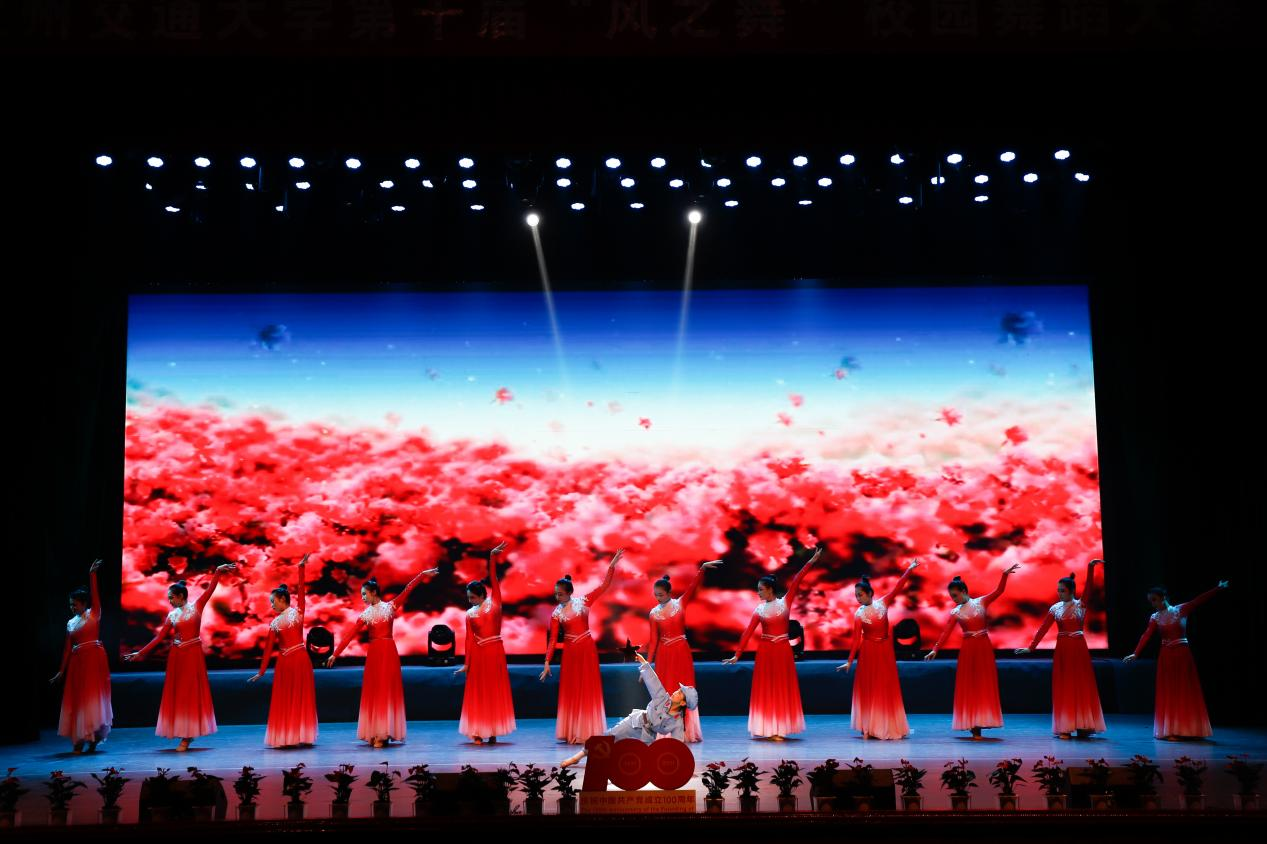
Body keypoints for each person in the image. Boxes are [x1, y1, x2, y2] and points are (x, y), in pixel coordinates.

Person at [124, 563, 238, 750]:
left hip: (192, 655)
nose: (169, 601)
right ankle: (184, 732)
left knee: (190, 693)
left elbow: (210, 590)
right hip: (177, 656)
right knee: (179, 694)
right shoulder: (172, 615)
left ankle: (188, 735)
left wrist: (217, 571)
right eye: (169, 598)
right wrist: (141, 653)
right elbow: (160, 637)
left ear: (181, 596)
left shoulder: (197, 607)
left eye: (171, 597)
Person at [327, 565, 440, 747]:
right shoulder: (366, 614)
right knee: (375, 690)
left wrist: (421, 574)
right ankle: (375, 730)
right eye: (362, 595)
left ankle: (384, 733)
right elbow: (350, 635)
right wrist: (335, 654)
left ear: (373, 592)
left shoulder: (390, 607)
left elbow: (407, 589)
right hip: (374, 653)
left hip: (388, 651)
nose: (363, 597)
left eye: (365, 594)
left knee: (387, 689)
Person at [722, 546, 823, 739]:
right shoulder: (759, 611)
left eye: (761, 589)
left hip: (783, 650)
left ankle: (781, 727)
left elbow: (797, 579)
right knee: (768, 688)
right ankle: (769, 727)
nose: (758, 593)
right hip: (766, 652)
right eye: (758, 590)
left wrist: (811, 561)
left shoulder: (785, 602)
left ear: (770, 590)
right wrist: (737, 654)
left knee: (782, 687)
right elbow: (747, 632)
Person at [925, 563, 1020, 738]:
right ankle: (973, 724)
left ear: (964, 591)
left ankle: (982, 720)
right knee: (970, 685)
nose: (953, 599)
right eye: (951, 596)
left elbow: (999, 591)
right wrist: (935, 649)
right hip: (968, 650)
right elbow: (946, 631)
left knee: (984, 683)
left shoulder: (981, 602)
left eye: (955, 595)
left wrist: (1004, 575)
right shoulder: (956, 612)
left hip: (983, 647)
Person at [1124, 580, 1229, 740]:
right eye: (1151, 601)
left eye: (1154, 600)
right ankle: (1172, 730)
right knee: (1170, 691)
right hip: (1166, 657)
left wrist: (1218, 588)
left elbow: (1198, 600)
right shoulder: (1155, 617)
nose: (1153, 604)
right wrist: (1136, 653)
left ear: (1163, 597)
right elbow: (1146, 635)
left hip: (1182, 655)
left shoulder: (1181, 610)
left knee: (1184, 690)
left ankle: (1189, 729)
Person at [1015, 559, 1106, 738]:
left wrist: (1090, 568)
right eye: (1058, 590)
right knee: (1065, 686)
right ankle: (1066, 726)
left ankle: (1083, 725)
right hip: (1063, 649)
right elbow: (1043, 629)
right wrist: (1031, 648)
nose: (1059, 593)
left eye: (1062, 590)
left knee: (1081, 684)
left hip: (1078, 648)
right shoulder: (1055, 608)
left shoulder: (1080, 604)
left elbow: (1089, 587)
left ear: (1072, 591)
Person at [560, 651, 699, 768]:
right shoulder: (663, 698)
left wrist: (682, 766)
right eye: (678, 690)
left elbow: (677, 746)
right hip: (636, 722)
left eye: (680, 693)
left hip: (647, 737)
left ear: (683, 702)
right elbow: (653, 682)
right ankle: (578, 756)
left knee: (638, 762)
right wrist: (643, 662)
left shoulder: (677, 723)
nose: (675, 692)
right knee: (608, 737)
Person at [541, 550, 623, 744]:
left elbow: (604, 586)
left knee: (587, 688)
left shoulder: (584, 602)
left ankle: (586, 729)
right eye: (556, 594)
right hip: (570, 652)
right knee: (573, 689)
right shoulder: (556, 614)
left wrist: (611, 566)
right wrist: (547, 661)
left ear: (570, 592)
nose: (557, 597)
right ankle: (572, 730)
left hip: (586, 649)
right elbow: (553, 639)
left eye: (561, 594)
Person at [836, 560, 919, 739]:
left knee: (885, 687)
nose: (858, 598)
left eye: (860, 595)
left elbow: (898, 586)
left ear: (870, 593)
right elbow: (856, 639)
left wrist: (910, 569)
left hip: (885, 650)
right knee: (870, 687)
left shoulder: (883, 603)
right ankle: (868, 725)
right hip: (868, 651)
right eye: (856, 596)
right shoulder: (859, 614)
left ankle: (884, 723)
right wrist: (849, 661)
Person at [646, 559, 722, 743]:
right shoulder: (653, 614)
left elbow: (692, 587)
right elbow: (653, 640)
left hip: (681, 652)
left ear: (669, 593)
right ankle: (666, 731)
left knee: (684, 690)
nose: (658, 598)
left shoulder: (680, 603)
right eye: (656, 595)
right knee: (666, 690)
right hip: (664, 655)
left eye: (661, 595)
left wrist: (702, 569)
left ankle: (687, 731)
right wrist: (647, 665)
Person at [248, 554, 318, 747]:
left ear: (282, 599)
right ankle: (287, 736)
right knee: (286, 699)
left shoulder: (298, 613)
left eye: (273, 601)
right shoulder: (275, 623)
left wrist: (301, 568)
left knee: (300, 697)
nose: (272, 605)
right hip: (284, 663)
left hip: (300, 660)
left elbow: (302, 591)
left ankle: (301, 734)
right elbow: (268, 649)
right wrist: (261, 672)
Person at [455, 541, 517, 744]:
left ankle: (492, 729)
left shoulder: (495, 603)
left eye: (473, 597)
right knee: (479, 693)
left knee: (493, 691)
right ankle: (477, 730)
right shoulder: (469, 614)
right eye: (469, 598)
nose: (470, 601)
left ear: (482, 594)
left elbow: (494, 579)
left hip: (495, 652)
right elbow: (468, 639)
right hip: (479, 654)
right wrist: (467, 663)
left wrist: (492, 557)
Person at [50, 559, 113, 753]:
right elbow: (67, 649)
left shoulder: (94, 615)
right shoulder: (71, 623)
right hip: (78, 664)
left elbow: (96, 596)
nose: (72, 607)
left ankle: (93, 737)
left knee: (92, 698)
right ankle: (78, 740)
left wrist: (92, 575)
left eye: (75, 604)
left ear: (84, 603)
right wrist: (61, 671)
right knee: (78, 699)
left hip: (93, 660)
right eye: (70, 604)